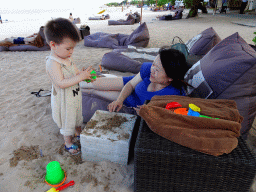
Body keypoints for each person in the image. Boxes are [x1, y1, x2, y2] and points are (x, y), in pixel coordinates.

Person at [80, 48, 191, 113]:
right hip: (130, 84)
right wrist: (119, 100)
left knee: (94, 92)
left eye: (157, 69)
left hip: (132, 101)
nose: (152, 70)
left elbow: (165, 116)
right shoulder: (149, 69)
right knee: (95, 83)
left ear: (170, 78)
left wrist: (146, 113)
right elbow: (131, 84)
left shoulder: (172, 94)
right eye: (153, 64)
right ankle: (72, 81)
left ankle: (76, 90)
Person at [44, 18, 94, 155]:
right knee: (68, 121)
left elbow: (75, 72)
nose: (71, 51)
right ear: (53, 45)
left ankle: (78, 133)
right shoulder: (53, 63)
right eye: (68, 48)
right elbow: (60, 83)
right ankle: (68, 143)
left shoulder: (67, 57)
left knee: (78, 116)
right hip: (64, 101)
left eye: (73, 48)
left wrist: (84, 74)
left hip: (74, 96)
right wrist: (80, 77)